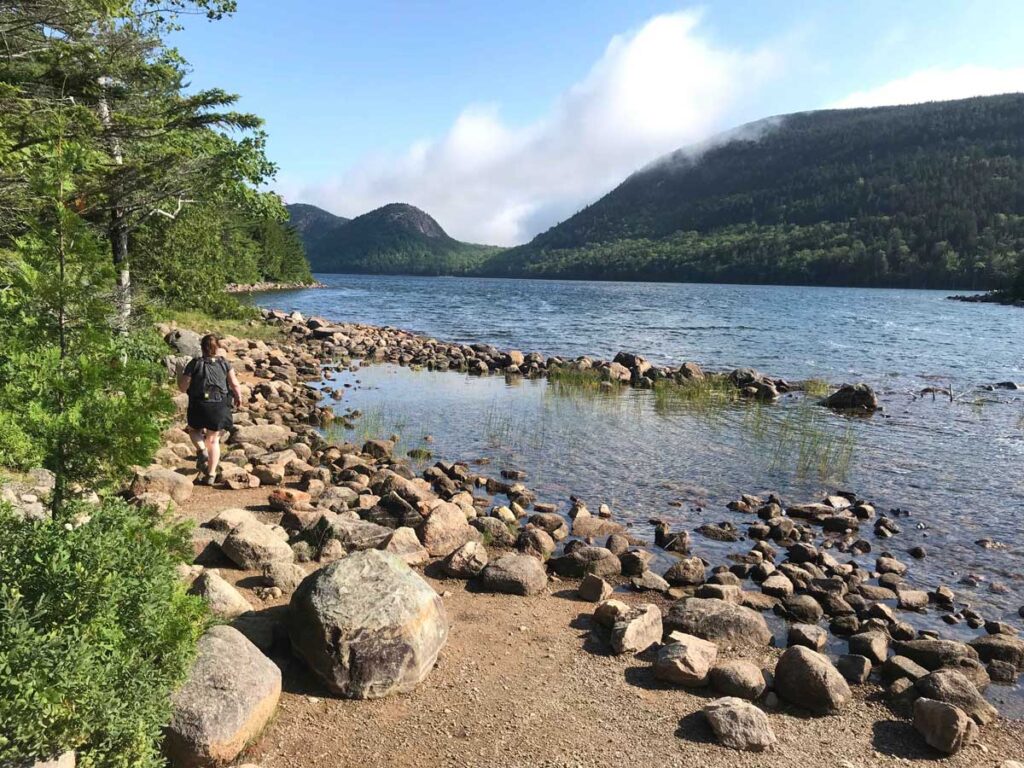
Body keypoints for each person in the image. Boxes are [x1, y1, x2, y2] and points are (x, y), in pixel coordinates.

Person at [177, 334, 242, 486]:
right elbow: (234, 384)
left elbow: (183, 387)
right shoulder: (224, 363)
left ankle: (201, 451)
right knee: (213, 440)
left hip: (199, 404)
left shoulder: (194, 363)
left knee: (194, 430)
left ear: (202, 347)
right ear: (217, 347)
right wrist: (238, 397)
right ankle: (211, 475)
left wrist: (181, 376)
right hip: (219, 405)